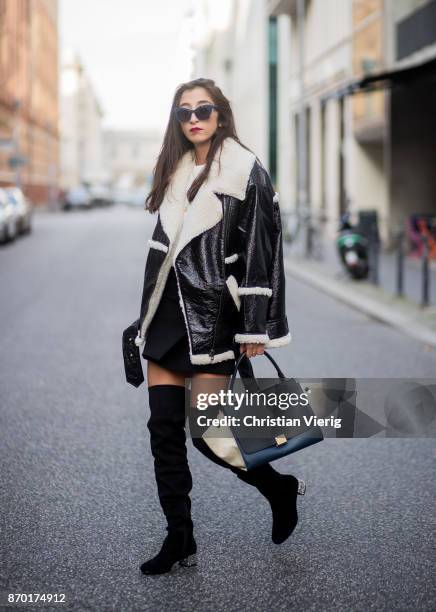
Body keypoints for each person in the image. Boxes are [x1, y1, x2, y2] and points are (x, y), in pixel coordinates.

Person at [135, 77, 303, 575]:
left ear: (221, 114)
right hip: (167, 315)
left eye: (203, 109)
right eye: (184, 111)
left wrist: (255, 328)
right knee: (162, 429)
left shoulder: (245, 171)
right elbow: (162, 254)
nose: (193, 119)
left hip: (213, 318)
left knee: (208, 434)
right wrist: (142, 317)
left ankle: (279, 487)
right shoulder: (174, 168)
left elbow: (261, 254)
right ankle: (179, 536)